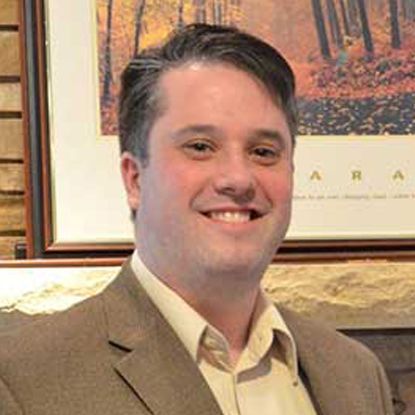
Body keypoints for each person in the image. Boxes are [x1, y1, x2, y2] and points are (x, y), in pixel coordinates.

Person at [0, 24, 393, 415]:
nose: (238, 179)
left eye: (264, 151)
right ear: (134, 178)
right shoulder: (23, 381)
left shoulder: (355, 373)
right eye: (201, 147)